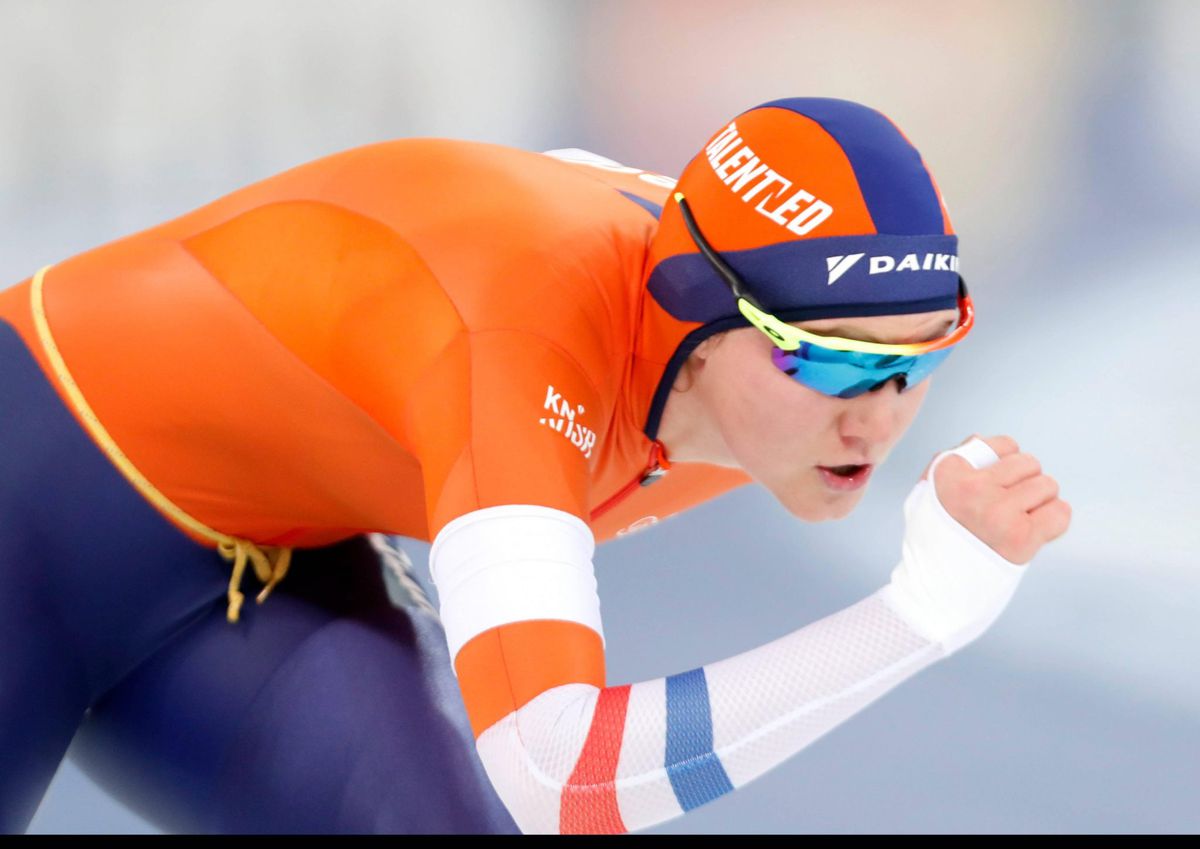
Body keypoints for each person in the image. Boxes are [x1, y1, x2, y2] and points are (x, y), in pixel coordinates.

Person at [0, 97, 1071, 834]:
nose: (877, 424)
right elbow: (565, 775)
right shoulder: (521, 344)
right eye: (833, 365)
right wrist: (920, 616)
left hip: (270, 568)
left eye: (923, 359)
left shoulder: (766, 363)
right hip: (31, 497)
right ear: (691, 312)